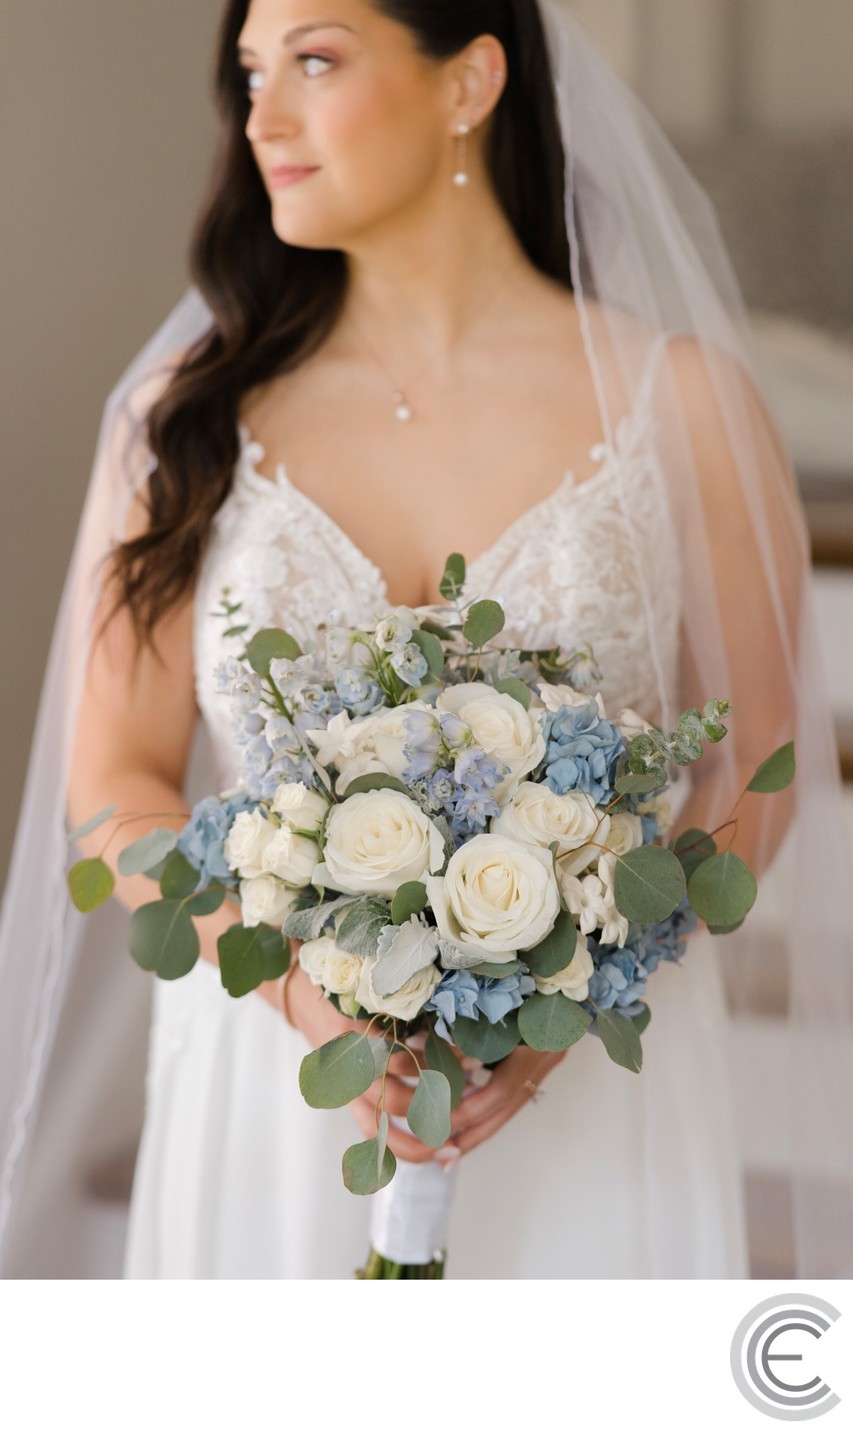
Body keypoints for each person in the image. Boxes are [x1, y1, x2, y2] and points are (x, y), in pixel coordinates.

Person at [2, 0, 852, 1279]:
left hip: (587, 1082)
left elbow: (759, 758)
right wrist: (294, 987)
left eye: (316, 61)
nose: (262, 117)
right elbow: (113, 781)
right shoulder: (186, 420)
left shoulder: (678, 401)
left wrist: (579, 989)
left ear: (469, 83)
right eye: (251, 74)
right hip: (275, 1082)